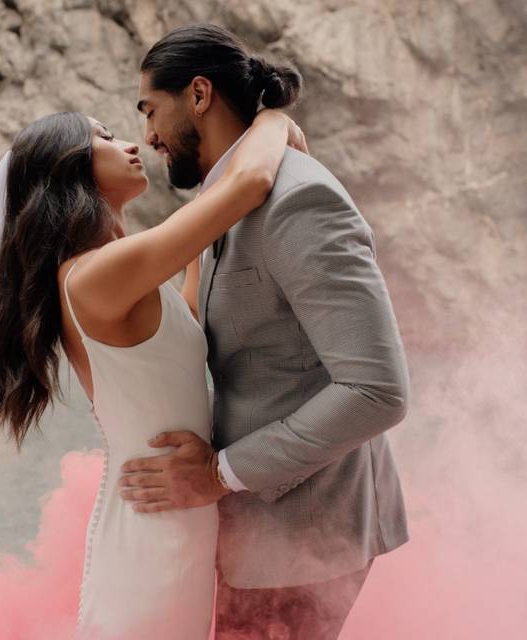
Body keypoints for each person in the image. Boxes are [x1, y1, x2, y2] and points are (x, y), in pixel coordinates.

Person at [0, 107, 306, 639]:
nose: (129, 143)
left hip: (178, 513)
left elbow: (190, 324)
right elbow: (252, 182)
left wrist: (208, 213)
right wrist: (273, 122)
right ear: (69, 167)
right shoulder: (94, 275)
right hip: (153, 533)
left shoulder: (113, 271)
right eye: (102, 137)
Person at [118, 24, 411, 639]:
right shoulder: (224, 198)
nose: (147, 136)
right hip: (250, 532)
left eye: (150, 109)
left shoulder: (300, 201)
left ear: (199, 94)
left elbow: (377, 391)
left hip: (303, 537)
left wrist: (218, 474)